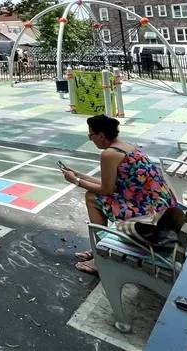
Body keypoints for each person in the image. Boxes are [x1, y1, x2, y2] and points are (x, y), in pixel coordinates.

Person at [63, 114, 177, 275]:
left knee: (91, 197)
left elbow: (106, 190)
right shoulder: (125, 146)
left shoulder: (109, 154)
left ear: (101, 135)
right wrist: (79, 175)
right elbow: (111, 184)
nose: (90, 139)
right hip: (161, 204)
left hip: (150, 214)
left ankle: (100, 256)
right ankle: (99, 248)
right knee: (94, 195)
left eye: (91, 135)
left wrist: (75, 181)